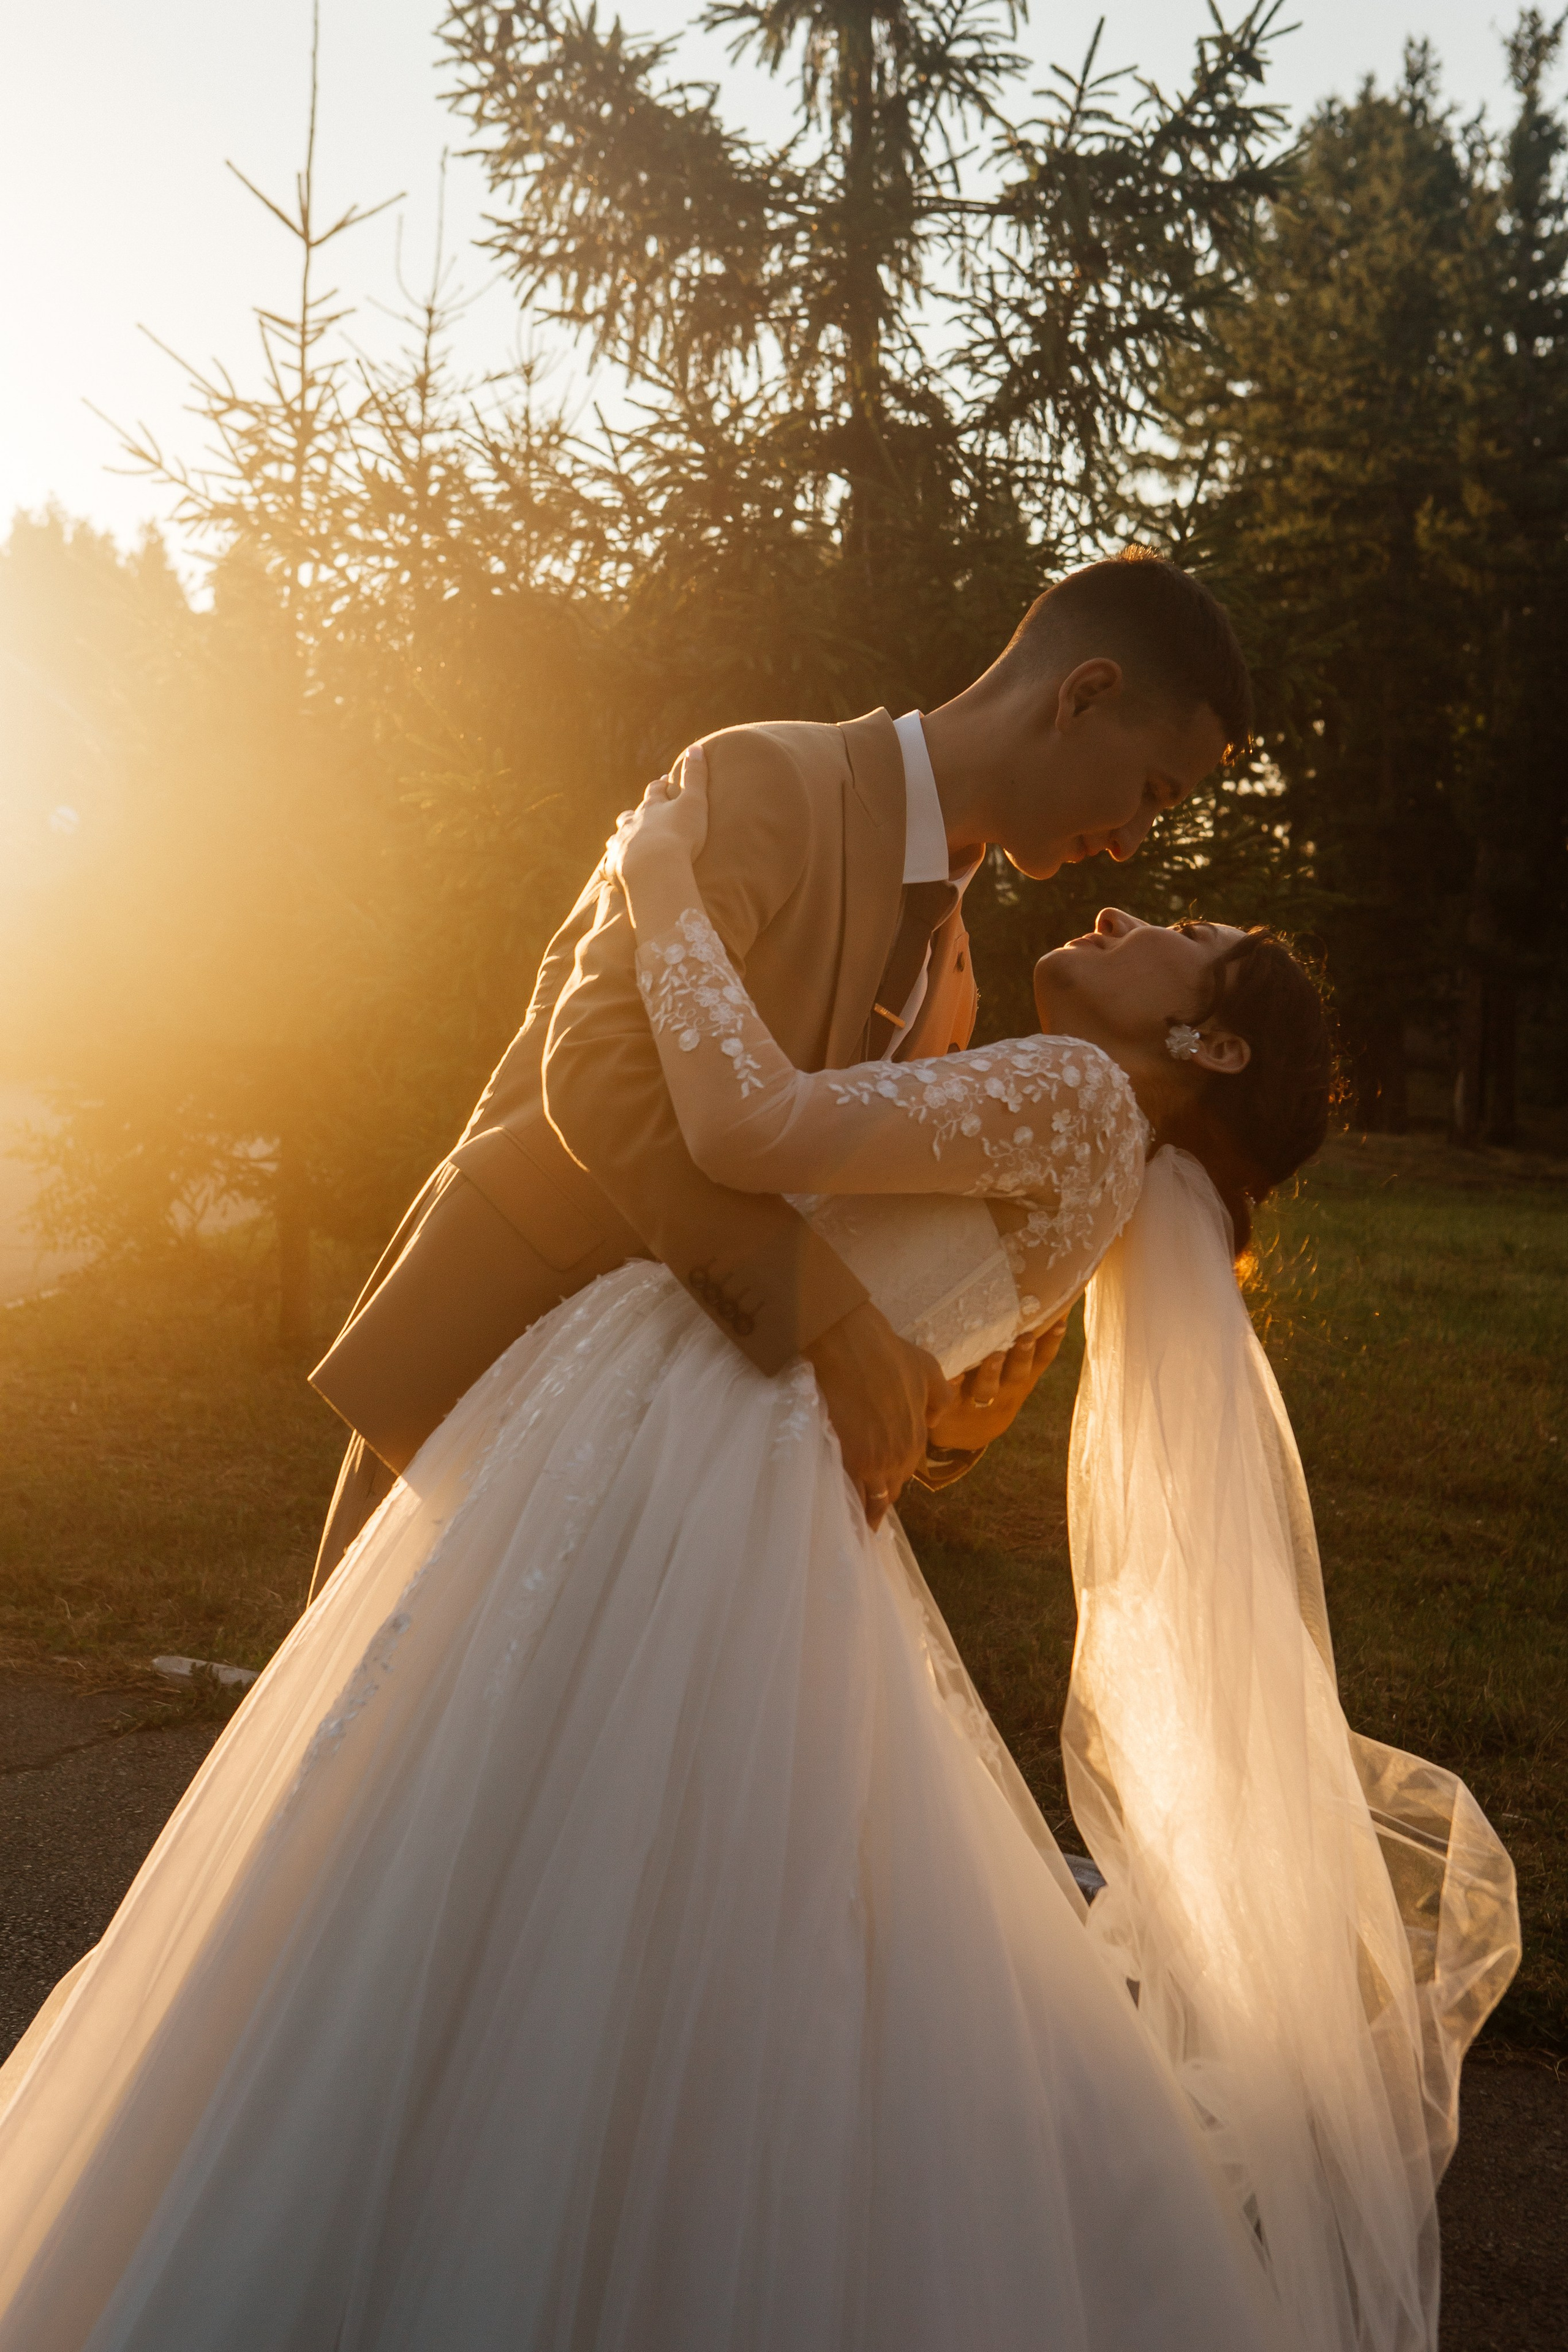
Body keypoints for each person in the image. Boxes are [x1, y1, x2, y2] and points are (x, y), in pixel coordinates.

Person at [0, 747, 1516, 2348]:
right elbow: (929, 1386)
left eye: (1184, 931)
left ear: (1205, 1039)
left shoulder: (1072, 1097)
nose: (1133, 900)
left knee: (474, 1838)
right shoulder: (1098, 1168)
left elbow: (746, 1118)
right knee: (668, 1911)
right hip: (747, 1467)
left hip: (688, 1445)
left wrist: (656, 878)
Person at [306, 551, 1250, 1583]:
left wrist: (949, 1399)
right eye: (1152, 792)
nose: (1132, 843)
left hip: (670, 1486)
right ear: (1086, 695)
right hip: (498, 1357)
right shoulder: (769, 779)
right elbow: (594, 1070)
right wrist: (823, 1316)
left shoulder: (957, 973)